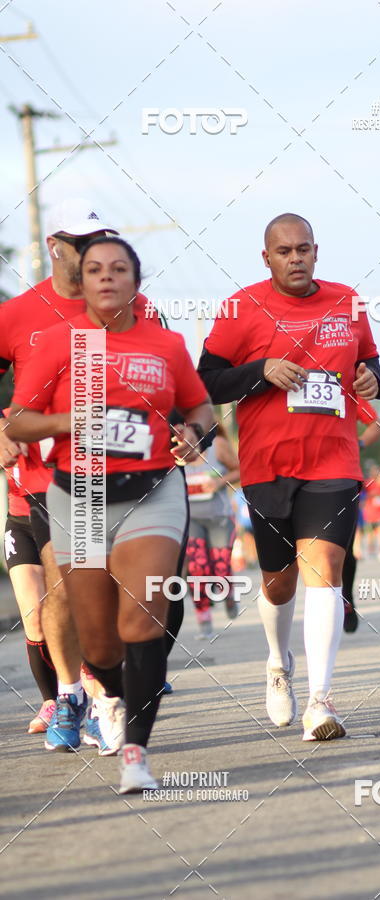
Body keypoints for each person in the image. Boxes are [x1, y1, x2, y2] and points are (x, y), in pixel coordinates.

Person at [7, 236, 215, 792]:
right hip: (79, 496)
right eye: (95, 269)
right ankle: (114, 695)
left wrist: (194, 433)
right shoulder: (58, 343)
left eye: (118, 269)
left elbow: (199, 406)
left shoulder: (165, 345)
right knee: (99, 643)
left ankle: (136, 753)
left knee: (141, 617)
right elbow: (19, 421)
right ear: (83, 282)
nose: (105, 277)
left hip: (153, 490)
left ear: (135, 282)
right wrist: (66, 423)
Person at [199, 213, 380, 740]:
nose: (296, 258)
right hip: (267, 466)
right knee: (279, 585)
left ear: (316, 251)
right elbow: (205, 380)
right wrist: (260, 371)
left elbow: (369, 361)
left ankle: (322, 703)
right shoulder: (242, 308)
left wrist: (372, 377)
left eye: (303, 249)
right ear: (267, 258)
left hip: (334, 463)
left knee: (324, 569)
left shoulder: (347, 301)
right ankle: (278, 664)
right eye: (284, 251)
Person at [0, 199, 126, 751]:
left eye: (105, 238)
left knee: (105, 591)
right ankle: (76, 696)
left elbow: (169, 375)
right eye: (85, 242)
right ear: (57, 247)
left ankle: (103, 692)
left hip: (118, 473)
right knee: (59, 586)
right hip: (41, 477)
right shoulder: (16, 314)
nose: (97, 250)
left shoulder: (131, 305)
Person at [3, 450, 57, 732]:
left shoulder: (73, 409)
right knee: (34, 615)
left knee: (77, 612)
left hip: (66, 516)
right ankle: (52, 703)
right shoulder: (6, 420)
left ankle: (94, 695)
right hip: (20, 521)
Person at [183, 421, 240, 637]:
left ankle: (228, 593)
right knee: (197, 567)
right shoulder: (177, 447)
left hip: (219, 516)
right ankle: (204, 618)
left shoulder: (218, 445)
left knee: (221, 566)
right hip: (191, 518)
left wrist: (218, 482)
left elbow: (240, 470)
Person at [342, 396, 380, 633]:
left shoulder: (340, 383)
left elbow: (375, 425)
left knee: (343, 548)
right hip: (292, 477)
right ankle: (320, 601)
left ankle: (346, 598)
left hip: (340, 475)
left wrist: (356, 444)